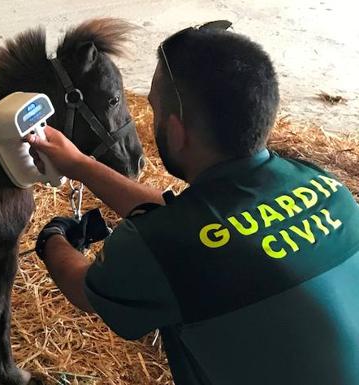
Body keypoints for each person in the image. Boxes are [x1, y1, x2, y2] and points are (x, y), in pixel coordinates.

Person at [25, 22, 359, 385]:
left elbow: (83, 287)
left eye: (153, 109)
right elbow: (195, 221)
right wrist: (81, 166)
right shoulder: (323, 183)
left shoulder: (161, 247)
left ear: (176, 132)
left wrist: (53, 237)